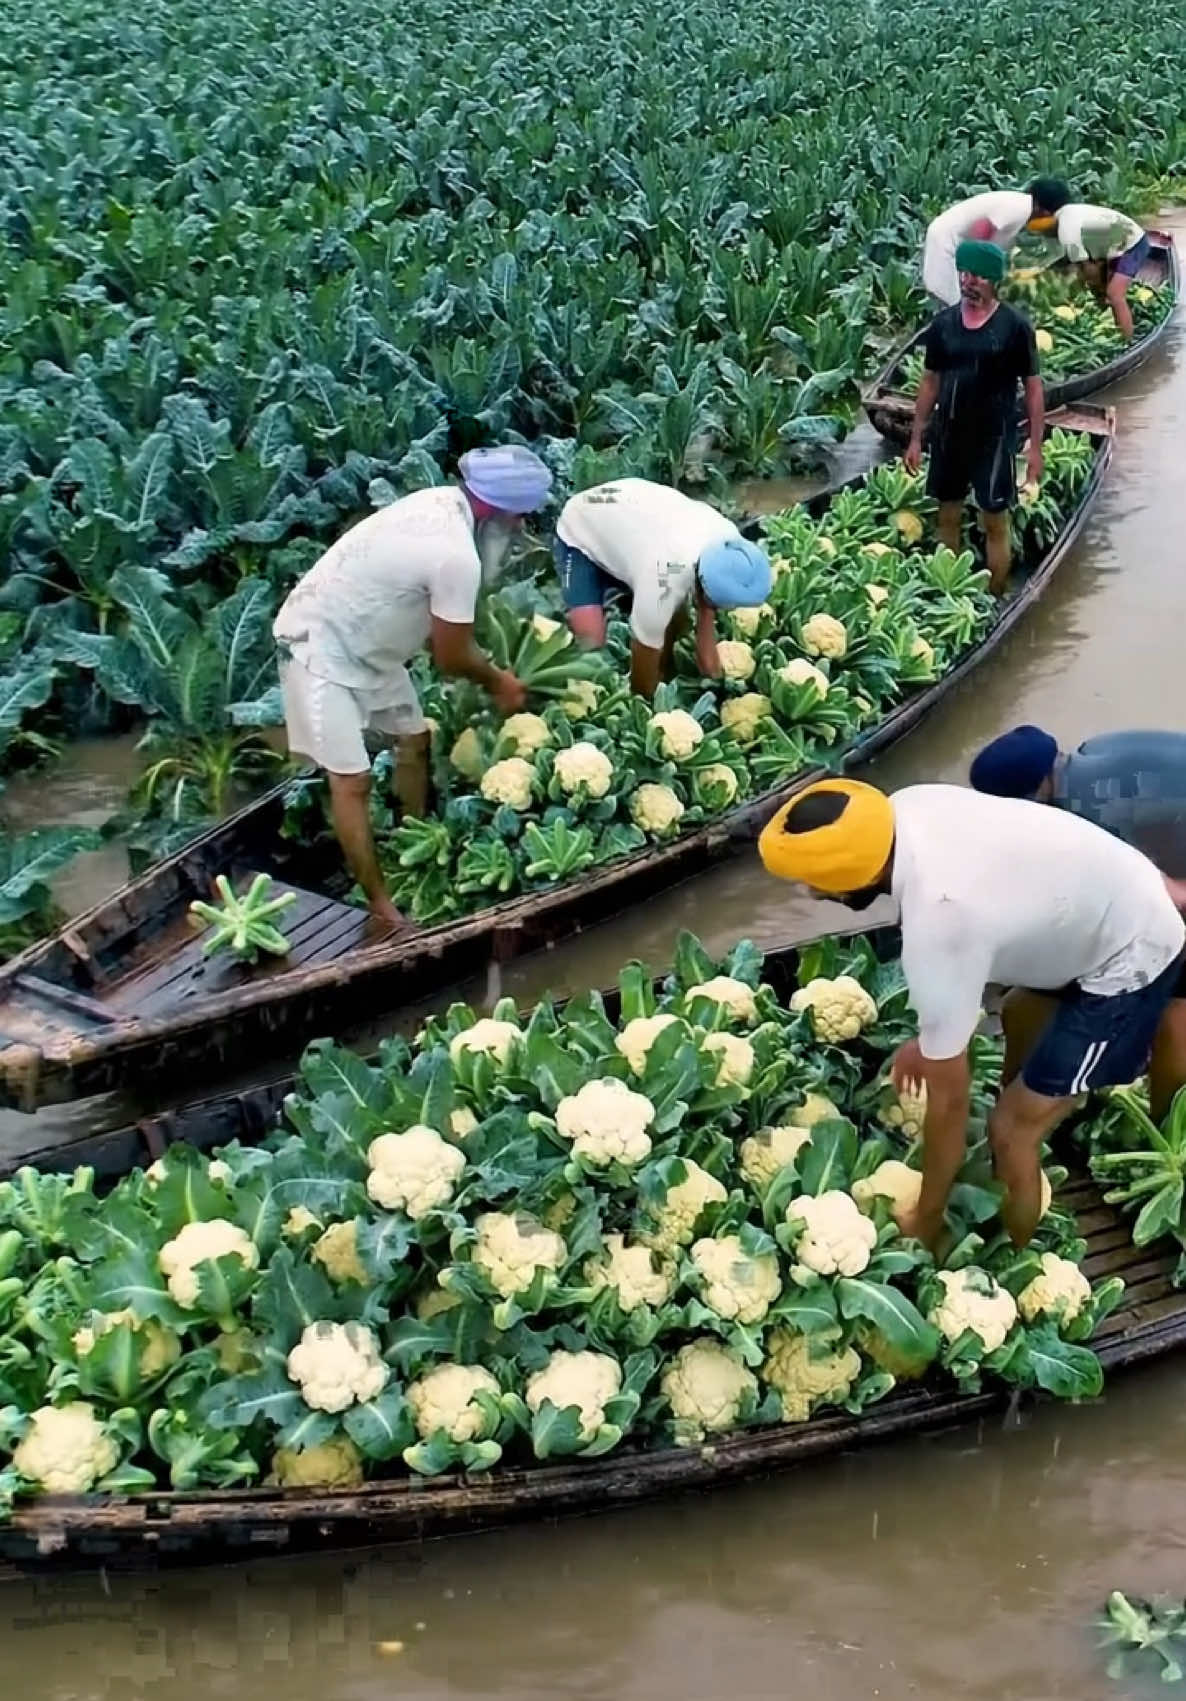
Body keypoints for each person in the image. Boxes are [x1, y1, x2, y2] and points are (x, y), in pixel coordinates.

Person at [757, 778, 1186, 1249]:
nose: (813, 895)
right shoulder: (905, 806)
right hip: (1103, 896)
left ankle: (1018, 1251)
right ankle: (1034, 1123)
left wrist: (928, 1214)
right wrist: (930, 1041)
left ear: (849, 876)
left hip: (1132, 951)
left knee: (1008, 1132)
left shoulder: (941, 918)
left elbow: (950, 1102)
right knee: (1020, 1013)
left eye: (816, 885)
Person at [273, 444, 553, 929]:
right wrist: (499, 680)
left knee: (414, 739)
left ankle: (412, 837)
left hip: (370, 642)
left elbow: (440, 626)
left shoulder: (440, 502)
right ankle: (381, 908)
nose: (520, 532)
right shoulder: (455, 556)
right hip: (317, 645)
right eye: (519, 522)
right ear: (499, 514)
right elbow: (448, 657)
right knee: (352, 780)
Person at [905, 240, 1045, 596]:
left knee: (994, 520)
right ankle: (949, 592)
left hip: (994, 437)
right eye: (965, 273)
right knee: (947, 514)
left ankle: (995, 596)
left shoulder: (1014, 327)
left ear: (994, 281)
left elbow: (1032, 389)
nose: (969, 281)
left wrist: (1034, 448)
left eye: (979, 275)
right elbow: (930, 381)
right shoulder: (944, 325)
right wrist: (917, 437)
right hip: (949, 432)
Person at [553, 479, 773, 699]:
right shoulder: (664, 578)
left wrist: (705, 615)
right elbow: (643, 666)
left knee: (676, 623)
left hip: (633, 508)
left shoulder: (730, 541)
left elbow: (706, 652)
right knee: (591, 641)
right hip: (583, 522)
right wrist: (647, 704)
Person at [922, 178, 1071, 306]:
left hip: (955, 245)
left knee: (957, 306)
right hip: (947, 242)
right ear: (1043, 210)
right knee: (952, 305)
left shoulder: (1024, 211)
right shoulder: (1018, 208)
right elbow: (982, 227)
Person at [1028, 195, 1151, 341]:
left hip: (1133, 243)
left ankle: (1127, 340)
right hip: (1109, 242)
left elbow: (1088, 270)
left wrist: (1091, 284)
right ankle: (1111, 316)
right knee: (1099, 287)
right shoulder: (1064, 213)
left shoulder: (1067, 232)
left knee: (1114, 294)